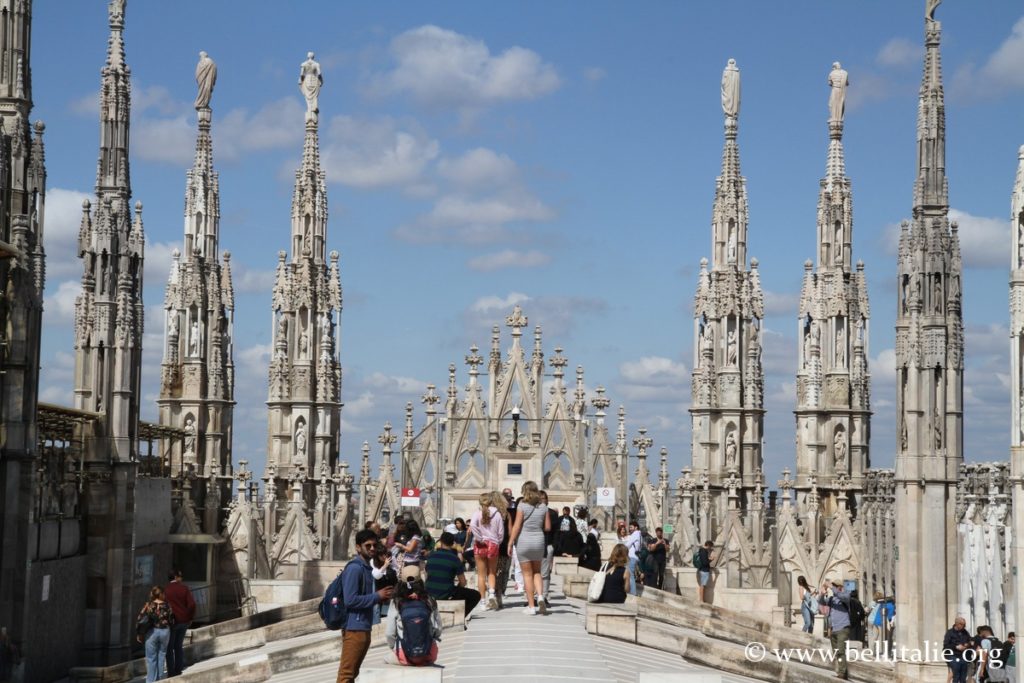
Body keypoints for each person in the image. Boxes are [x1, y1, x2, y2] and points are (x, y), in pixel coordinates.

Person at [337, 529, 395, 683]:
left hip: (363, 625)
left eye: (374, 545)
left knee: (352, 673)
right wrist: (377, 596)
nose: (372, 549)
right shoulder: (355, 568)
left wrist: (380, 597)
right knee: (346, 674)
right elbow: (350, 600)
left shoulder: (365, 568)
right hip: (354, 627)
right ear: (357, 547)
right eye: (367, 545)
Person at [508, 481, 551, 615]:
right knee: (537, 572)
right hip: (538, 540)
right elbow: (547, 527)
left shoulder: (522, 505)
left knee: (527, 575)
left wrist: (510, 543)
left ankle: (531, 607)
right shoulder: (543, 506)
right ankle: (541, 597)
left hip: (524, 541)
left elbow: (517, 526)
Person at [385, 566, 442, 667]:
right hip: (429, 654)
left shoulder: (397, 601)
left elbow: (390, 633)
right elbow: (437, 629)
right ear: (420, 581)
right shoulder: (429, 599)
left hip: (403, 655)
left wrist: (394, 647)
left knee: (385, 658)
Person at [425, 532, 481, 614]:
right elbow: (463, 582)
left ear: (441, 542)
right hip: (446, 594)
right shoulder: (454, 559)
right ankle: (460, 617)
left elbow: (428, 574)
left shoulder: (431, 556)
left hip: (429, 593)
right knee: (475, 595)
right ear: (452, 544)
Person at [469, 492, 504, 611]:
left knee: (481, 575)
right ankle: (492, 594)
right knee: (492, 573)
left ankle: (483, 602)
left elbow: (473, 526)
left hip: (480, 544)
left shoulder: (477, 513)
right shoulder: (497, 514)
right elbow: (501, 532)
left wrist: (479, 538)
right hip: (493, 544)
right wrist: (497, 542)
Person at [137, 586, 174, 682]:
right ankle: (159, 680)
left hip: (152, 632)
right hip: (165, 632)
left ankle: (150, 681)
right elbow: (172, 620)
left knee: (151, 658)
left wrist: (139, 633)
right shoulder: (167, 605)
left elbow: (140, 618)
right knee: (161, 656)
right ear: (161, 594)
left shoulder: (148, 605)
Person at [164, 569, 196, 677]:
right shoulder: (184, 588)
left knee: (169, 647)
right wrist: (190, 617)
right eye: (180, 577)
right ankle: (178, 668)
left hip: (172, 622)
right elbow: (192, 604)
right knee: (178, 645)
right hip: (184, 621)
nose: (181, 579)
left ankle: (171, 671)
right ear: (176, 577)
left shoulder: (166, 590)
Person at [819, 579, 852, 680]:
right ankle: (843, 672)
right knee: (837, 651)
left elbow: (842, 596)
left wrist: (831, 587)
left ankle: (842, 673)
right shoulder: (832, 599)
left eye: (835, 586)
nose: (833, 588)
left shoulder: (846, 595)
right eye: (833, 586)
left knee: (841, 651)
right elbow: (822, 602)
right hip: (834, 629)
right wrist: (822, 593)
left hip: (843, 627)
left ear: (840, 587)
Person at [538, 491, 560, 601]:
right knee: (535, 572)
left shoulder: (552, 514)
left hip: (548, 545)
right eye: (540, 498)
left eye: (544, 498)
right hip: (535, 545)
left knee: (545, 573)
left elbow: (556, 531)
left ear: (547, 500)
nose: (542, 501)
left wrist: (553, 546)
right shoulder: (534, 513)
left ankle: (544, 596)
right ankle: (535, 596)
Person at [943, 617, 972, 683]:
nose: (964, 626)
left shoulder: (965, 632)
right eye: (962, 624)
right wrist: (956, 647)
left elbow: (970, 640)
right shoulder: (950, 632)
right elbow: (946, 645)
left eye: (965, 625)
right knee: (956, 674)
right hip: (953, 655)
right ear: (957, 624)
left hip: (963, 655)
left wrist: (968, 644)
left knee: (963, 676)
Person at [624, 521, 643, 596]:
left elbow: (628, 545)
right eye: (629, 527)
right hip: (635, 557)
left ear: (636, 527)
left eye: (631, 527)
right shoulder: (640, 535)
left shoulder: (635, 533)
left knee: (630, 575)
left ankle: (632, 593)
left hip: (632, 557)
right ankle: (631, 592)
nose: (630, 529)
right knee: (631, 574)